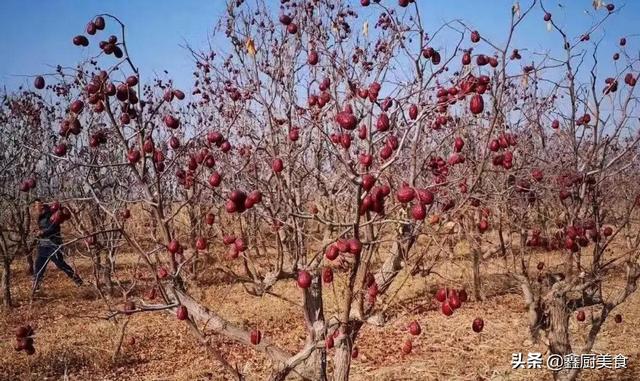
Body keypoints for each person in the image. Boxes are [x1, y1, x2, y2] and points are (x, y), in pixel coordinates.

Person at [32, 199, 83, 294]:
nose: (34, 208)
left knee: (61, 264)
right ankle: (35, 289)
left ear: (41, 205)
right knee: (38, 266)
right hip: (43, 244)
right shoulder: (41, 216)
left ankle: (78, 281)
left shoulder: (52, 213)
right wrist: (37, 231)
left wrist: (43, 232)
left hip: (53, 244)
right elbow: (44, 227)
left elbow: (54, 227)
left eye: (35, 206)